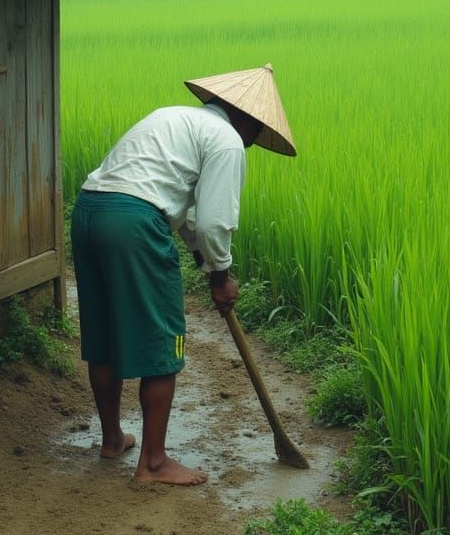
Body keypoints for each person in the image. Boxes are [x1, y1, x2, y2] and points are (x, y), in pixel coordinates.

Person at [71, 64, 296, 486]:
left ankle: (112, 439)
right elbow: (213, 223)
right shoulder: (228, 141)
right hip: (135, 225)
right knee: (164, 338)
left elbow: (177, 204)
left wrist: (200, 255)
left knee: (102, 334)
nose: (251, 144)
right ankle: (154, 464)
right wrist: (220, 276)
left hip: (89, 212)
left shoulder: (173, 117)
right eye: (256, 133)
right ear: (247, 119)